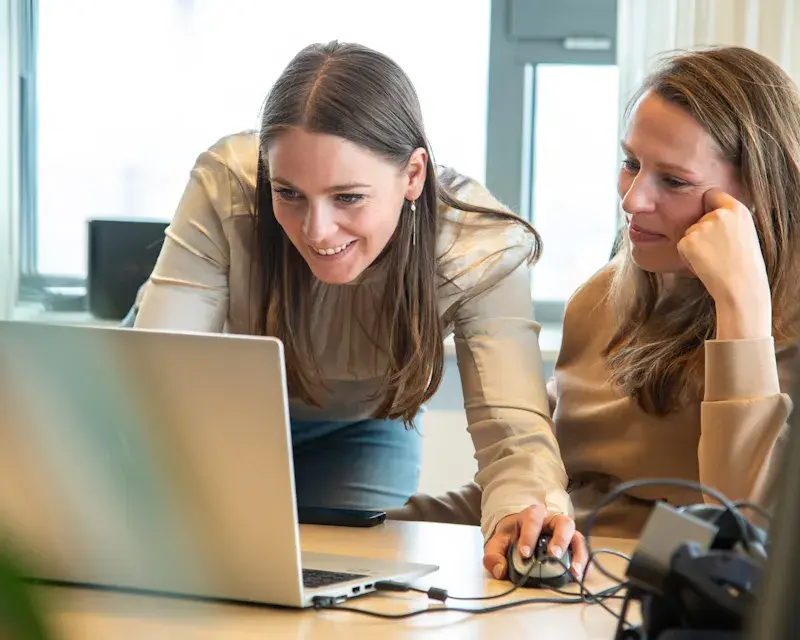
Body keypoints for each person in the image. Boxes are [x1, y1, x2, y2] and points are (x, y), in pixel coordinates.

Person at [133, 41, 587, 578]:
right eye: (289, 193)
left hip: (360, 427)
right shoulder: (226, 185)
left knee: (343, 582)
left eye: (348, 197)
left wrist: (526, 514)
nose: (316, 230)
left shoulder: (480, 245)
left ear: (414, 175)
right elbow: (158, 381)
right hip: (221, 415)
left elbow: (513, 431)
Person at [393, 46, 800, 561]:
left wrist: (741, 311)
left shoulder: (785, 325)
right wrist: (371, 523)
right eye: (631, 163)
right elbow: (544, 499)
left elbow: (747, 529)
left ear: (760, 193)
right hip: (568, 593)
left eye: (673, 181)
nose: (632, 200)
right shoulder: (600, 302)